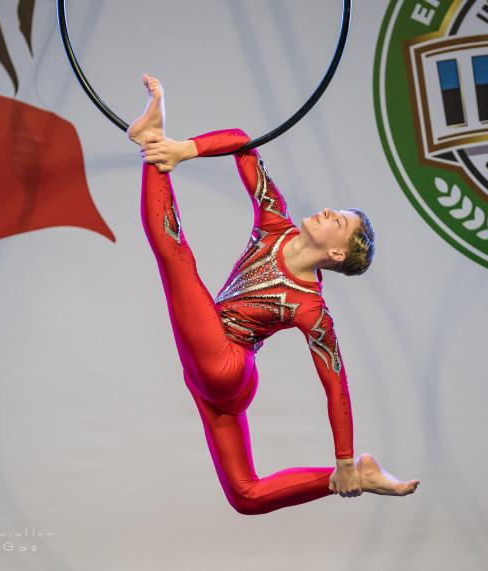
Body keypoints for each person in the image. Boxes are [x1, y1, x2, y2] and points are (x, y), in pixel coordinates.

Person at [127, 74, 419, 515]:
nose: (327, 211)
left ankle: (152, 140)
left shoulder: (310, 307)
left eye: (337, 221)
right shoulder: (273, 220)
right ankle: (360, 477)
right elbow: (243, 142)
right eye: (335, 210)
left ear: (336, 253)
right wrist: (185, 150)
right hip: (215, 374)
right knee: (245, 496)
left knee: (174, 254)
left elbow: (335, 383)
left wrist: (343, 456)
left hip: (223, 367)